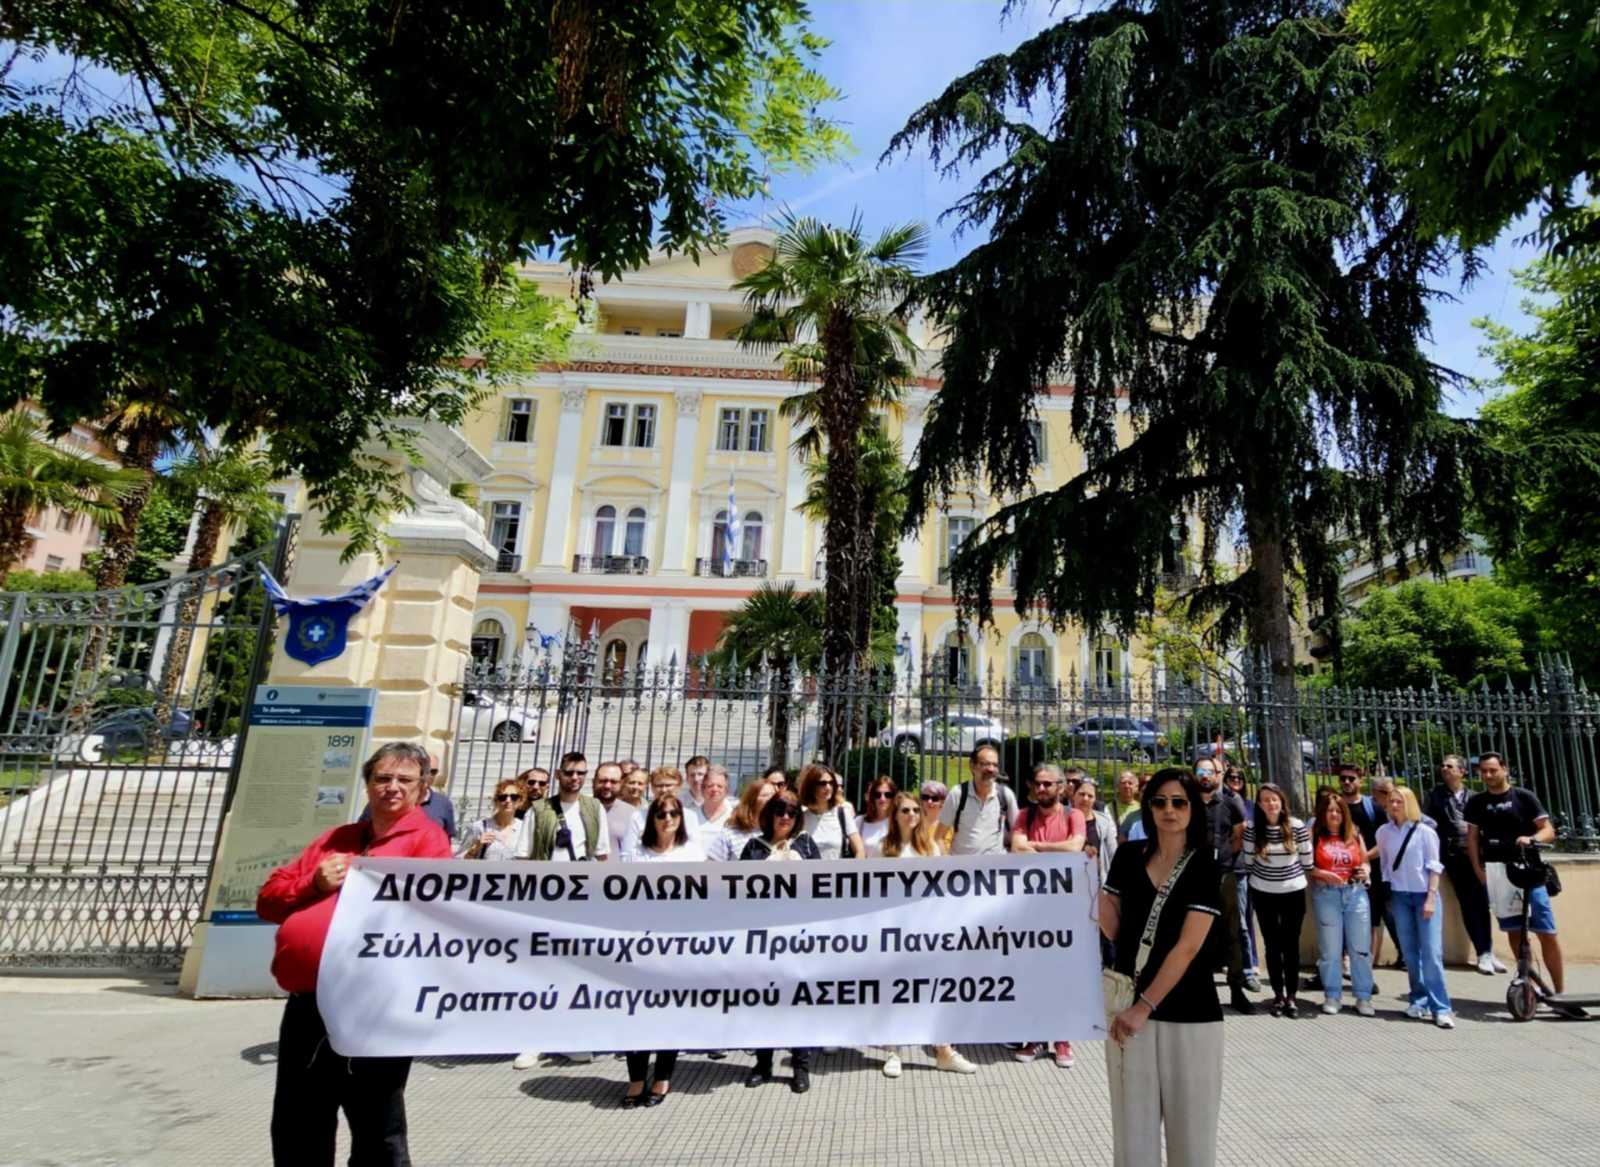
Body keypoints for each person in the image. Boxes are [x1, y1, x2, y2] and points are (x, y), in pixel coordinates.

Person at [257, 742, 451, 1166]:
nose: (392, 788)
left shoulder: (428, 842)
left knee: (376, 1125)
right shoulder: (335, 839)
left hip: (374, 1005)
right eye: (382, 778)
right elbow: (268, 901)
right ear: (367, 784)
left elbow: (432, 917)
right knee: (298, 1120)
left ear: (422, 790)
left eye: (404, 780)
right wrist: (314, 884)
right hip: (308, 1005)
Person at [1101, 768, 1224, 1167]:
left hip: (1189, 1013)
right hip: (1127, 1009)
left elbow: (1187, 948)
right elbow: (1114, 928)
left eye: (1178, 802)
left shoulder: (1206, 863)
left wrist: (1144, 1006)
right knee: (1132, 1135)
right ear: (1147, 806)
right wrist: (1086, 884)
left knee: (1192, 1139)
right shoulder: (1126, 856)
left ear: (1193, 808)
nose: (1168, 811)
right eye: (1159, 802)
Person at [876, 792, 978, 1077]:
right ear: (895, 816)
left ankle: (943, 1051)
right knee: (894, 991)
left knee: (933, 990)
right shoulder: (880, 847)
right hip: (892, 931)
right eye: (905, 810)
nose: (911, 815)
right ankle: (893, 1051)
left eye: (915, 811)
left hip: (924, 930)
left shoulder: (930, 847)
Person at [620, 794, 704, 1107]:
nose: (667, 819)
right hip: (641, 945)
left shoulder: (692, 853)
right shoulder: (636, 855)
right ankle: (637, 1078)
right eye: (660, 814)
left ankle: (663, 1077)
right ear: (651, 819)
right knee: (636, 1012)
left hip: (677, 946)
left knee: (669, 1012)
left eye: (673, 814)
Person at [739, 790, 819, 1093]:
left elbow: (824, 887)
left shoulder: (806, 845)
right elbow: (739, 893)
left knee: (798, 1001)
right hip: (764, 937)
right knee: (764, 1001)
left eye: (791, 812)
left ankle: (800, 1064)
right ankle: (763, 1062)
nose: (785, 817)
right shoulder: (754, 848)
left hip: (799, 936)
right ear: (769, 814)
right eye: (779, 811)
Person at [1466, 750, 1564, 993]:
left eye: (1493, 770)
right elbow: (1472, 839)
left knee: (1546, 932)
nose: (1488, 775)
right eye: (1483, 771)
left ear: (1505, 769)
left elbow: (1548, 830)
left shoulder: (1524, 797)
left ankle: (1560, 992)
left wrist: (1531, 839)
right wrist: (1479, 871)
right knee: (1514, 931)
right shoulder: (1477, 802)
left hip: (1529, 872)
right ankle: (1528, 988)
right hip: (1498, 873)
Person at [1011, 763, 1085, 1068]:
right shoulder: (1023, 816)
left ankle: (1063, 1039)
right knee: (1034, 973)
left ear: (1061, 787)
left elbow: (1075, 847)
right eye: (1037, 784)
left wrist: (1038, 846)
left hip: (1065, 908)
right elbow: (1017, 848)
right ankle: (1037, 1036)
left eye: (1047, 784)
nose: (1041, 789)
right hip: (1030, 908)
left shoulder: (1073, 815)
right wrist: (1053, 850)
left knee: (1062, 974)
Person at [1378, 786, 1454, 1027]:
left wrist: (1431, 897)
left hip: (1423, 895)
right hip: (1400, 896)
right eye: (1391, 801)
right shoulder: (1384, 832)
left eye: (1399, 801)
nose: (1395, 805)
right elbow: (1386, 865)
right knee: (1410, 953)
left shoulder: (1424, 831)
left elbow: (1434, 866)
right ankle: (1418, 999)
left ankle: (1440, 1006)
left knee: (1431, 952)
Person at [1424, 754, 1501, 975]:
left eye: (1450, 766)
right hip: (1452, 854)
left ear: (1462, 771)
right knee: (1468, 903)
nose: (1445, 769)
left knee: (1482, 903)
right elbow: (1427, 822)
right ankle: (1482, 952)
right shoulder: (1435, 796)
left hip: (1476, 854)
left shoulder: (1475, 797)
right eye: (1443, 765)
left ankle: (1486, 950)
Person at [1241, 783, 1311, 1017]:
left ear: (1281, 802)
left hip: (1292, 891)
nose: (1270, 804)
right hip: (1264, 891)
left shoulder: (1296, 826)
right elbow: (1249, 861)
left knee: (1291, 945)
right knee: (1272, 946)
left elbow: (1306, 859)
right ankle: (1278, 995)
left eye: (1274, 799)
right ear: (1259, 804)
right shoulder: (1252, 829)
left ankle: (1292, 996)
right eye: (1265, 800)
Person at [1307, 787, 1376, 1016]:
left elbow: (1365, 861)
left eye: (1338, 810)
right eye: (1329, 810)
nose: (1334, 814)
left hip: (1355, 893)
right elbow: (1305, 865)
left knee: (1360, 948)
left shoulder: (1354, 833)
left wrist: (1365, 871)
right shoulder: (1314, 833)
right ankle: (1332, 994)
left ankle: (1363, 996)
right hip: (1327, 894)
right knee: (1331, 948)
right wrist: (1321, 873)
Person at [524, 751, 609, 863]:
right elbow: (523, 854)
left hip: (582, 877)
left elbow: (601, 855)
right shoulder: (537, 810)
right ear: (558, 774)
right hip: (545, 876)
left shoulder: (595, 808)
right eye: (569, 773)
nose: (575, 777)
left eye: (580, 773)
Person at [938, 743, 1017, 855]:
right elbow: (939, 837)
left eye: (995, 765)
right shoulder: (958, 794)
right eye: (985, 764)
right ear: (972, 766)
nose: (991, 769)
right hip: (962, 869)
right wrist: (947, 866)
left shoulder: (1005, 795)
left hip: (994, 869)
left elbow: (1018, 833)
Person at [358, 750, 455, 842]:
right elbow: (361, 833)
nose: (428, 775)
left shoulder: (443, 804)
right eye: (425, 771)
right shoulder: (385, 801)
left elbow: (447, 839)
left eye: (433, 771)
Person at [621, 766, 704, 858]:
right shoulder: (637, 816)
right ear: (652, 787)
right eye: (659, 786)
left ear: (679, 786)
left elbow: (697, 852)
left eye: (668, 785)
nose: (664, 790)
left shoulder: (689, 816)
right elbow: (627, 854)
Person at [798, 763, 864, 860]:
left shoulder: (843, 814)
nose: (828, 787)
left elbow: (860, 850)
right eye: (822, 783)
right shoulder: (801, 818)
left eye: (831, 783)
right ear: (811, 787)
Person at [705, 777, 776, 861]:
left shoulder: (780, 834)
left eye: (773, 795)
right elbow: (710, 867)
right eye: (765, 795)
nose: (771, 799)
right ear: (752, 801)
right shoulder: (730, 834)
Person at [458, 779, 527, 860]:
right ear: (496, 801)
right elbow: (458, 860)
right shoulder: (479, 827)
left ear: (521, 801)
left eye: (514, 797)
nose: (508, 800)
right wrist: (475, 848)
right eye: (502, 797)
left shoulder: (524, 829)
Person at [1073, 776, 1119, 883]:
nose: (1085, 799)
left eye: (1090, 796)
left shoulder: (1104, 822)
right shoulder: (1061, 819)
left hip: (1097, 883)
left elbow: (1113, 855)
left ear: (1094, 800)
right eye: (1081, 794)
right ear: (1073, 795)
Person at [592, 760, 634, 858]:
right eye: (603, 781)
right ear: (593, 782)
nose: (607, 786)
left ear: (621, 784)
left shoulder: (632, 814)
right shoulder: (578, 808)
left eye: (613, 782)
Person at [693, 765, 735, 850]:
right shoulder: (691, 816)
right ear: (702, 789)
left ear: (726, 790)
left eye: (719, 786)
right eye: (710, 786)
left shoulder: (734, 817)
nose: (714, 789)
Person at [855, 776, 898, 857]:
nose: (882, 799)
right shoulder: (860, 822)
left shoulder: (899, 821)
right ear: (872, 797)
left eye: (888, 795)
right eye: (877, 794)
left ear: (893, 797)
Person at [921, 780, 953, 851]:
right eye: (925, 797)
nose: (929, 801)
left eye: (934, 799)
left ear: (943, 802)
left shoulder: (950, 825)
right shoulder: (914, 823)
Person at [1113, 769, 1142, 835]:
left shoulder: (1142, 808)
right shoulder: (1107, 809)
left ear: (1136, 787)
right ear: (1117, 786)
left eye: (1130, 783)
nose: (1127, 786)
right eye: (1123, 783)